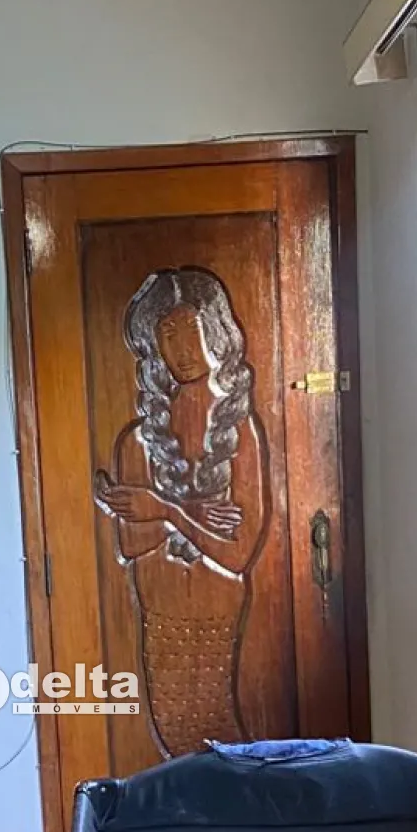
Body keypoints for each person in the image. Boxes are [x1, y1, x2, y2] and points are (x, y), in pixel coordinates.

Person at [93, 268, 268, 755]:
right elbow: (132, 543)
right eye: (167, 334)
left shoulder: (241, 431)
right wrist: (195, 514)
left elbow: (238, 553)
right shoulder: (137, 441)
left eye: (191, 329)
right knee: (172, 728)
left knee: (220, 732)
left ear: (215, 331)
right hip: (160, 608)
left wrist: (164, 510)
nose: (182, 348)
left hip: (219, 609)